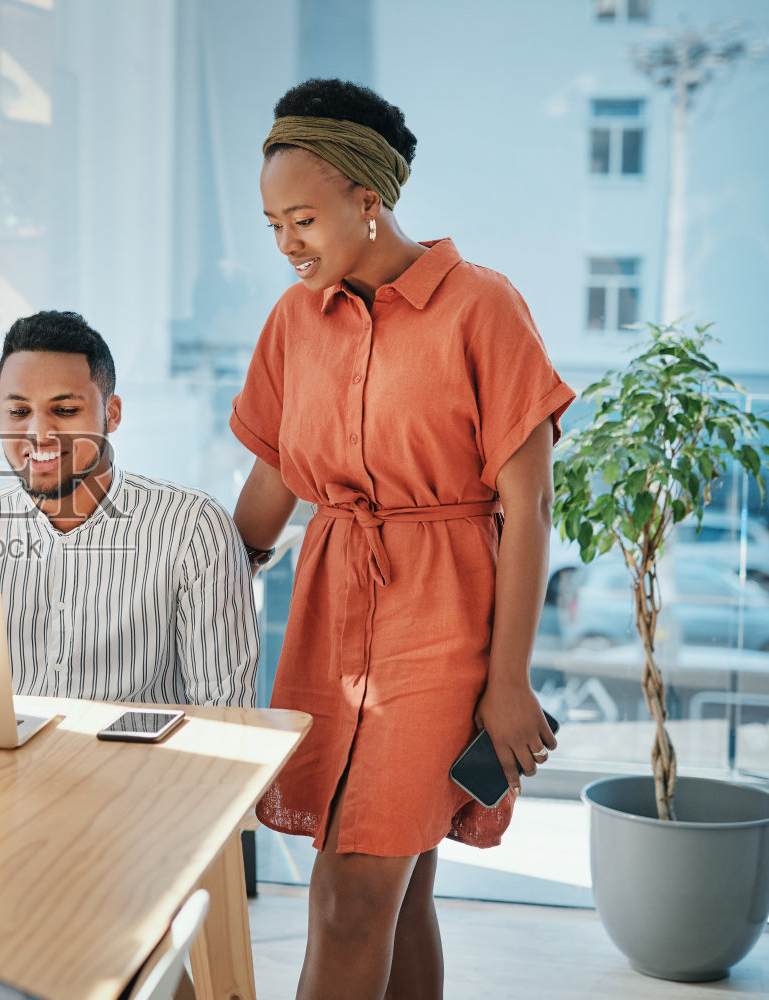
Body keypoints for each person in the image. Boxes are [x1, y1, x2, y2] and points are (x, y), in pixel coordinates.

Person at [229, 79, 574, 999]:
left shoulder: (481, 306)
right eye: (272, 224)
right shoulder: (294, 321)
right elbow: (275, 477)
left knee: (348, 898)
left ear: (368, 200)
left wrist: (509, 684)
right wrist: (204, 573)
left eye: (301, 218)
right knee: (400, 890)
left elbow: (530, 508)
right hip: (329, 622)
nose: (286, 244)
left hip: (444, 629)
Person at [0, 310, 259, 707]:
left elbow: (224, 713)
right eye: (19, 412)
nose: (38, 433)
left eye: (65, 410)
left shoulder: (193, 528)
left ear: (112, 413)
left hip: (140, 767)